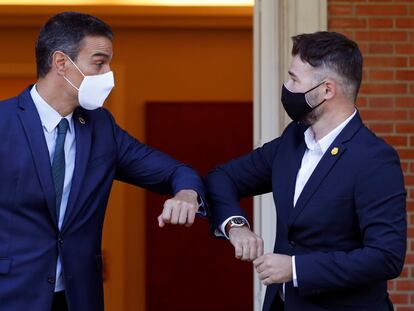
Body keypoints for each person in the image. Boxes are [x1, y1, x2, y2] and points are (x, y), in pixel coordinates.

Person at [0, 12, 205, 311]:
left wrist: (187, 193)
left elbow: (175, 170)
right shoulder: (3, 122)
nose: (108, 73)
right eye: (99, 62)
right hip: (11, 295)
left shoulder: (101, 128)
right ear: (61, 64)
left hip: (77, 299)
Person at [206, 31, 406, 311]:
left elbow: (385, 256)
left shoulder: (374, 159)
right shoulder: (293, 140)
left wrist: (296, 268)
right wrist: (235, 226)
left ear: (326, 90)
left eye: (294, 79)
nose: (287, 87)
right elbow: (222, 177)